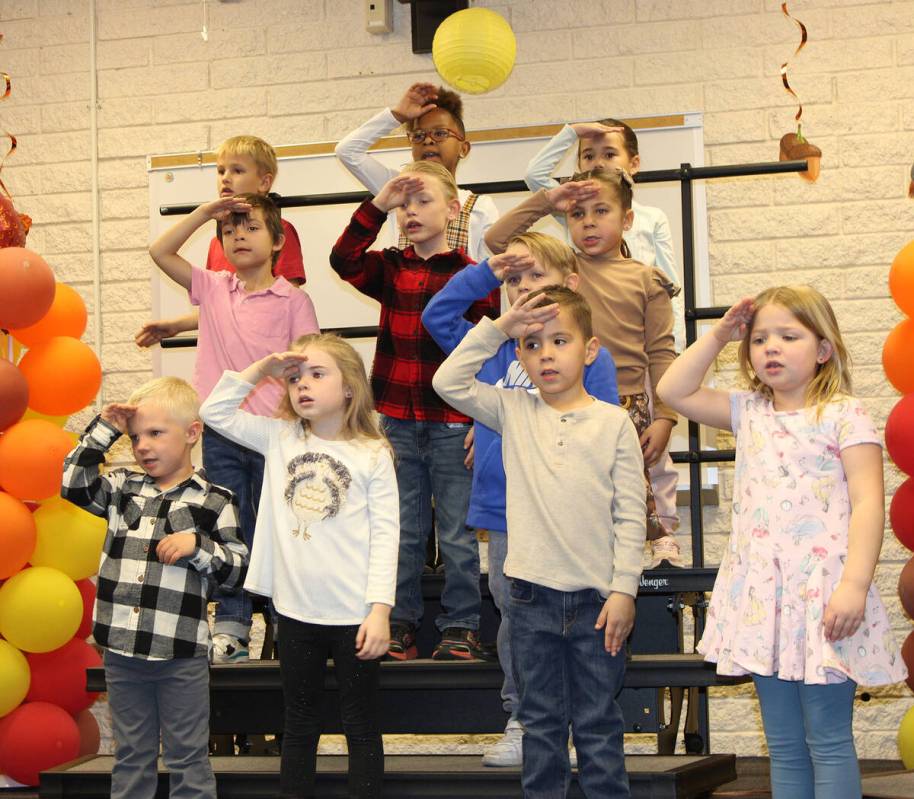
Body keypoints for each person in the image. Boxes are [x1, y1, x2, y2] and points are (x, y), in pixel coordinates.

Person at [656, 286, 907, 799]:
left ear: (822, 350)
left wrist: (854, 586)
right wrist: (722, 333)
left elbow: (866, 503)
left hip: (824, 599)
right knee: (785, 746)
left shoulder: (844, 413)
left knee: (829, 740)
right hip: (764, 604)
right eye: (760, 338)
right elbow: (673, 391)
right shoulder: (748, 411)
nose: (770, 347)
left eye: (788, 336)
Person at [433, 286, 645, 798]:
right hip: (530, 599)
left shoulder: (614, 422)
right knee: (542, 729)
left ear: (589, 350)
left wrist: (624, 591)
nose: (545, 354)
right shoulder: (512, 410)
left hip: (598, 602)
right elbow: (448, 380)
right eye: (531, 344)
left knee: (598, 725)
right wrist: (501, 327)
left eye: (559, 340)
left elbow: (630, 514)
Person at [200, 333, 399, 799]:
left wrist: (380, 609)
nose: (302, 385)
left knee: (361, 725)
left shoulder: (373, 454)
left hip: (355, 615)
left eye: (316, 374)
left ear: (350, 387)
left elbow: (388, 535)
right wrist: (262, 367)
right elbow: (214, 413)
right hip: (294, 611)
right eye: (294, 378)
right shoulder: (281, 438)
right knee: (300, 722)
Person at [330, 160, 498, 661]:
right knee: (400, 530)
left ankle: (461, 626)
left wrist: (481, 419)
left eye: (422, 200)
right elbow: (343, 259)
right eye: (404, 204)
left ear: (453, 209)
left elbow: (487, 353)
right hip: (398, 423)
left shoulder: (473, 276)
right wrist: (376, 205)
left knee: (458, 535)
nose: (411, 211)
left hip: (452, 423)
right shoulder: (390, 268)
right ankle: (400, 622)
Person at [148, 192, 320, 662]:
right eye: (229, 231)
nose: (238, 236)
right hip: (224, 432)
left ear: (279, 240)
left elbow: (309, 366)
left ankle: (289, 622)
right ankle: (233, 622)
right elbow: (160, 252)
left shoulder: (293, 299)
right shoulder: (213, 288)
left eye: (251, 228)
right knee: (231, 527)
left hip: (276, 435)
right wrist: (205, 212)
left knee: (280, 526)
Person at [61, 377, 248, 799]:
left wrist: (197, 547)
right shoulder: (121, 490)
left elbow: (237, 570)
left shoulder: (214, 500)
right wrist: (106, 427)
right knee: (132, 756)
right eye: (135, 436)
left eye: (156, 433)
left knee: (188, 758)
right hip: (123, 654)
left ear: (192, 433)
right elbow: (72, 482)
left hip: (180, 656)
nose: (142, 445)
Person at [485, 167, 679, 564]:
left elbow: (661, 351)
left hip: (626, 399)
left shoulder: (648, 279)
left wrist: (666, 416)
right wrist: (547, 201)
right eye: (576, 214)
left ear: (627, 220)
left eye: (601, 211)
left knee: (635, 479)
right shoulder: (564, 270)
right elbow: (496, 240)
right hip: (564, 395)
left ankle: (657, 534)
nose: (588, 222)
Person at [136, 134, 307, 347]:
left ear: (264, 181)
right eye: (220, 171)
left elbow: (283, 307)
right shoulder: (219, 243)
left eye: (237, 170)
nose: (225, 178)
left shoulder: (279, 232)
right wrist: (178, 325)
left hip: (263, 354)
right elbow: (221, 306)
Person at [334, 81, 498, 261]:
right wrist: (397, 116)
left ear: (463, 149)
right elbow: (347, 151)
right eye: (418, 136)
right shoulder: (399, 189)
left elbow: (489, 272)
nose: (428, 141)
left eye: (440, 133)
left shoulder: (480, 206)